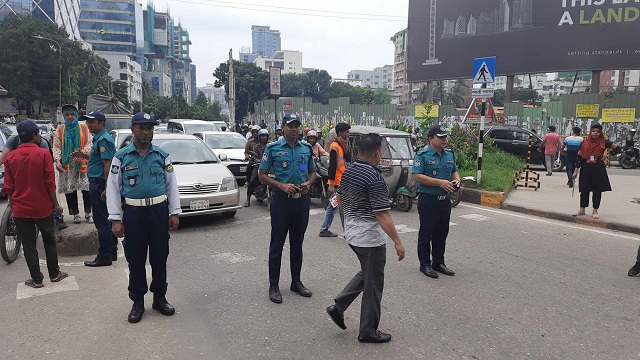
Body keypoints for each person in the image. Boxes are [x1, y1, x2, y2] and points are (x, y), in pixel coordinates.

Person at [325, 133, 405, 344]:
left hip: (352, 235)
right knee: (373, 284)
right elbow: (382, 214)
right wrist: (397, 241)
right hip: (369, 240)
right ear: (378, 152)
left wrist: (350, 222)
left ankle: (339, 306)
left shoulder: (350, 171)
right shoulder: (374, 177)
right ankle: (368, 331)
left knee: (367, 273)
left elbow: (339, 198)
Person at [106, 112, 181, 323]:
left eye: (149, 127)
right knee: (136, 259)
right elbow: (112, 189)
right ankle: (137, 301)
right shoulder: (121, 157)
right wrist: (115, 219)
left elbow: (171, 185)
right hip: (134, 213)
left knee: (159, 257)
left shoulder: (162, 156)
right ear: (133, 130)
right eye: (141, 127)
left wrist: (174, 212)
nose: (145, 131)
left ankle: (160, 297)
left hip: (158, 212)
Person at [258, 113, 316, 304]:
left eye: (296, 126)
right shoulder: (273, 148)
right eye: (290, 126)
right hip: (282, 202)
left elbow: (313, 172)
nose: (294, 129)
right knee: (277, 244)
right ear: (282, 127)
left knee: (297, 244)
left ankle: (296, 282)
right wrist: (281, 186)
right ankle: (273, 285)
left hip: (301, 202)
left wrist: (308, 183)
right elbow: (262, 174)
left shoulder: (306, 149)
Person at [3, 120, 68, 288]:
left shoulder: (11, 157)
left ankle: (37, 279)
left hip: (21, 209)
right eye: (38, 134)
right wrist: (55, 204)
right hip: (42, 207)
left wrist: (13, 206)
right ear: (33, 135)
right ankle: (54, 274)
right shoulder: (44, 154)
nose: (40, 136)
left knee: (28, 243)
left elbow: (9, 187)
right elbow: (49, 183)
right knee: (49, 239)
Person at [412, 125, 460, 279]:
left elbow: (454, 171)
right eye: (440, 137)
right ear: (431, 139)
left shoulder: (449, 155)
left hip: (444, 201)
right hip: (429, 200)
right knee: (427, 232)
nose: (444, 140)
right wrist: (440, 182)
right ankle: (424, 264)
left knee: (442, 232)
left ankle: (438, 262)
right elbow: (417, 176)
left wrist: (456, 181)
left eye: (445, 137)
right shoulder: (422, 155)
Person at [73, 112, 118, 267]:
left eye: (92, 122)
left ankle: (105, 255)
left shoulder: (104, 139)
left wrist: (107, 187)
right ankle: (111, 252)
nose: (88, 125)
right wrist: (83, 155)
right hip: (98, 182)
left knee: (102, 221)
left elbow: (108, 164)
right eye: (88, 122)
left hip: (99, 183)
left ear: (101, 123)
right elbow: (99, 159)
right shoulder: (99, 138)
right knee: (107, 218)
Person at [53, 104, 93, 223]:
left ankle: (88, 213)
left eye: (72, 114)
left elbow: (89, 143)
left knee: (86, 188)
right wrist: (57, 159)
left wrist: (82, 153)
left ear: (76, 115)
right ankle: (75, 214)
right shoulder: (60, 129)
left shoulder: (84, 128)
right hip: (67, 164)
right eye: (67, 115)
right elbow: (56, 146)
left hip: (82, 162)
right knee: (70, 190)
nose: (70, 117)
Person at [572, 123, 618, 220]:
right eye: (593, 131)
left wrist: (607, 155)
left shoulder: (604, 142)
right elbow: (579, 157)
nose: (595, 133)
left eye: (597, 132)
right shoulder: (584, 142)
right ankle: (582, 209)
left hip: (598, 168)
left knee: (597, 190)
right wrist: (576, 170)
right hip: (585, 168)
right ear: (590, 132)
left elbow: (617, 148)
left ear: (600, 133)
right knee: (584, 189)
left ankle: (595, 210)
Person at [319, 122, 350, 237]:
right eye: (347, 132)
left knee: (336, 206)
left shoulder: (342, 145)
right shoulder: (334, 147)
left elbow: (348, 158)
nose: (348, 134)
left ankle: (325, 228)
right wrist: (331, 184)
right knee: (337, 206)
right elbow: (332, 167)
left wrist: (345, 146)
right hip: (337, 182)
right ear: (340, 133)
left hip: (341, 180)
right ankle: (326, 229)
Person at [244, 129, 269, 207]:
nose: (264, 138)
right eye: (262, 136)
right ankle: (247, 199)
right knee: (252, 181)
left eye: (265, 136)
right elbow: (254, 156)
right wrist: (258, 160)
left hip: (269, 166)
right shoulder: (255, 147)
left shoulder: (270, 146)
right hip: (259, 166)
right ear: (259, 137)